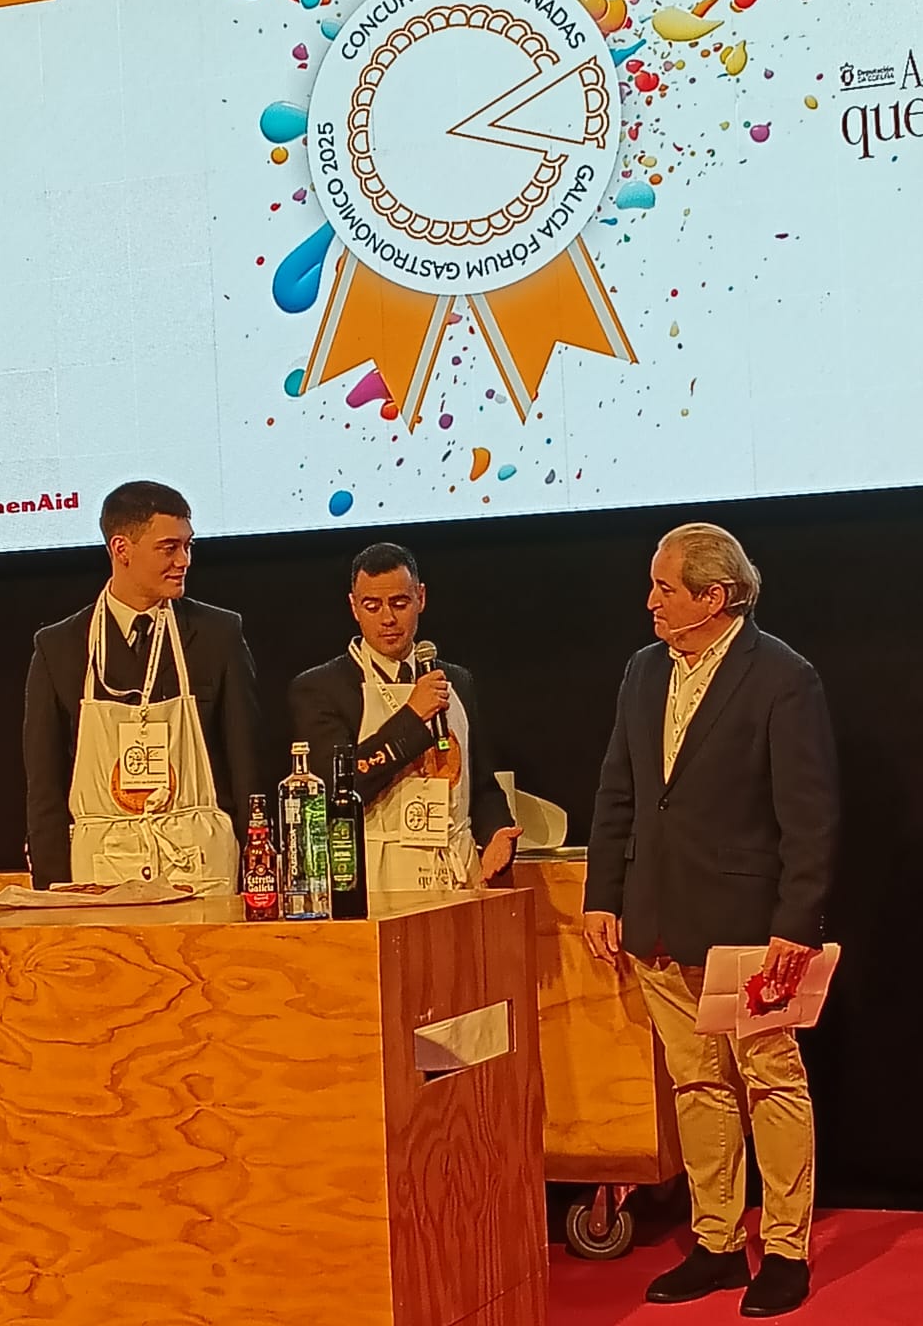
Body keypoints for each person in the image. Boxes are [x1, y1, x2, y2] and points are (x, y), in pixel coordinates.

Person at [583, 522, 839, 1319]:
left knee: (771, 1079)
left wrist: (796, 921)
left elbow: (810, 815)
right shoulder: (642, 670)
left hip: (748, 928)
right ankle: (718, 1242)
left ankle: (786, 1251)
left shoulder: (783, 677)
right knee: (696, 1083)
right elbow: (619, 790)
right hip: (657, 917)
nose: (650, 601)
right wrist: (602, 894)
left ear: (714, 597)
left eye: (665, 588)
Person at [23, 480, 262, 894]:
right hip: (101, 871)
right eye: (169, 548)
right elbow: (44, 787)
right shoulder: (59, 647)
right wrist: (54, 892)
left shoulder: (218, 635)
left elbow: (247, 769)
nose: (184, 560)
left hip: (200, 867)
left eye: (188, 546)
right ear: (122, 549)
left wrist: (260, 872)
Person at [288, 541, 520, 891]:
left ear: (420, 598)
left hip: (456, 868)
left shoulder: (457, 680)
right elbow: (337, 790)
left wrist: (498, 831)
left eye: (400, 603)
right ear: (354, 607)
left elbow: (481, 783)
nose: (388, 619)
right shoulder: (321, 688)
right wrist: (412, 716)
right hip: (376, 875)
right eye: (372, 606)